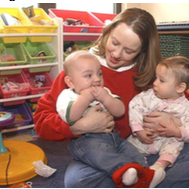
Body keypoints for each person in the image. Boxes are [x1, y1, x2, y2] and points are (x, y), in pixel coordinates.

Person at [34, 7, 189, 187]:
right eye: (114, 43)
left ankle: (143, 178)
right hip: (101, 153)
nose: (116, 54)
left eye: (129, 51)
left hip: (144, 147)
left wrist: (174, 120)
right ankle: (154, 181)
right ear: (107, 33)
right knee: (78, 181)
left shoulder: (154, 72)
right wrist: (75, 127)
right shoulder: (80, 70)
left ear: (142, 51)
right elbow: (42, 122)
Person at [56, 50, 163, 187]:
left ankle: (142, 175)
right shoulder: (68, 96)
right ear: (70, 82)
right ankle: (123, 170)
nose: (96, 79)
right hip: (85, 141)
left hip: (113, 138)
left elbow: (120, 111)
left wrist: (106, 98)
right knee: (99, 155)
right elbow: (71, 117)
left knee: (131, 151)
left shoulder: (104, 92)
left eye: (99, 74)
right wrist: (85, 98)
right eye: (88, 75)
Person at [127, 56, 189, 183]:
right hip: (142, 140)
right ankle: (135, 171)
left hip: (165, 143)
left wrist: (177, 131)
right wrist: (138, 129)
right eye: (156, 78)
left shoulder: (188, 107)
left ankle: (159, 167)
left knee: (176, 144)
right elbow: (134, 106)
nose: (155, 83)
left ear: (179, 88)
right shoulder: (148, 96)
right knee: (127, 147)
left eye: (161, 80)